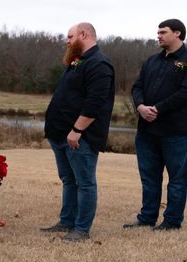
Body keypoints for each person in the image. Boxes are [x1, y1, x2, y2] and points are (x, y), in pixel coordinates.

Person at [41, 22, 115, 242]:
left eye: (70, 36)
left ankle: (82, 229)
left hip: (79, 137)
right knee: (68, 180)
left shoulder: (99, 64)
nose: (67, 41)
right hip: (60, 134)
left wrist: (76, 130)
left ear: (84, 34)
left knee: (84, 182)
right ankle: (67, 221)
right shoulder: (77, 61)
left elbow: (95, 103)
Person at [124, 18, 187, 231]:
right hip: (147, 131)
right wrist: (141, 106)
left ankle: (171, 222)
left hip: (176, 132)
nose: (158, 35)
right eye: (158, 32)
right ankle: (147, 217)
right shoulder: (152, 60)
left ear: (178, 33)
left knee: (177, 179)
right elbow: (137, 86)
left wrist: (158, 109)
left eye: (163, 32)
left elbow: (184, 93)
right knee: (149, 177)